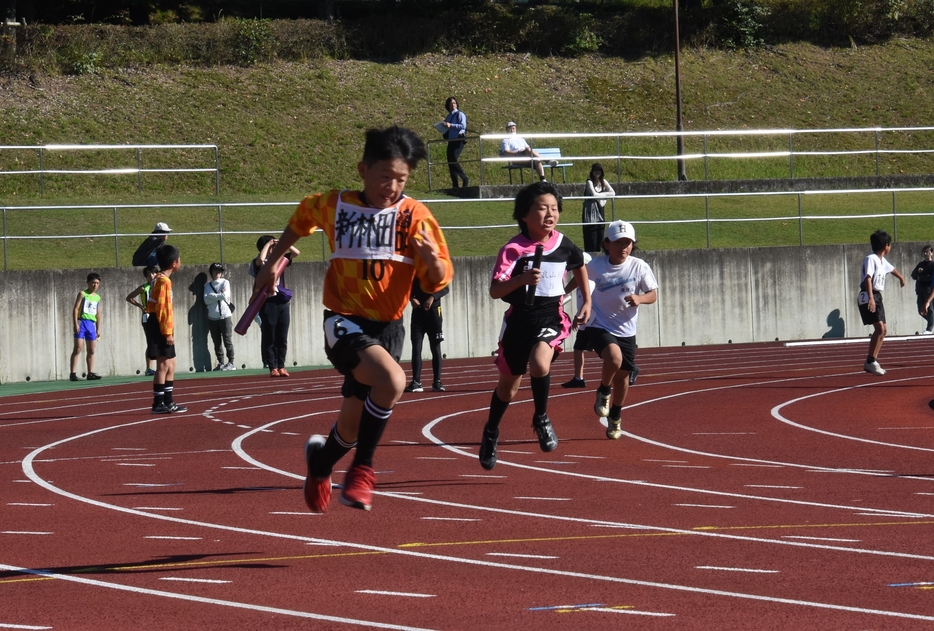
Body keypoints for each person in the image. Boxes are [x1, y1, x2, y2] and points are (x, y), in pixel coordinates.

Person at [251, 125, 452, 513]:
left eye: (401, 179)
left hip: (388, 329)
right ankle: (362, 470)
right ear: (362, 170)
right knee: (394, 380)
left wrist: (431, 263)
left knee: (351, 425)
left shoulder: (415, 216)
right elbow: (300, 218)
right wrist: (273, 263)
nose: (391, 187)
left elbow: (440, 277)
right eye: (384, 177)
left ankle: (321, 463)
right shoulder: (335, 205)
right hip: (343, 322)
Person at [478, 181, 590, 470]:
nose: (550, 214)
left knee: (540, 363)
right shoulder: (514, 249)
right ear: (525, 215)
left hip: (550, 318)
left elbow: (579, 264)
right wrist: (521, 280)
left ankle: (541, 417)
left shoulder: (563, 243)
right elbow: (495, 290)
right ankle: (491, 431)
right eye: (542, 208)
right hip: (519, 322)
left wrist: (586, 301)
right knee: (508, 388)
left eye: (554, 209)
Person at [581, 221, 657, 440]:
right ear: (607, 244)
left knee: (623, 378)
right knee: (614, 358)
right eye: (618, 243)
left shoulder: (639, 266)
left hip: (626, 330)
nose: (623, 247)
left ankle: (615, 417)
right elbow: (579, 278)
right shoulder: (597, 265)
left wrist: (640, 298)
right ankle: (604, 390)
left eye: (627, 243)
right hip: (600, 324)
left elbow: (652, 294)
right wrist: (559, 295)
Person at [145, 244, 188, 413]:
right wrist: (167, 333)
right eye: (179, 259)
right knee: (163, 365)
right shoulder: (163, 282)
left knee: (171, 364)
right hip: (161, 327)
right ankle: (158, 403)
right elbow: (163, 309)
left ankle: (169, 401)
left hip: (162, 325)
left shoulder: (159, 280)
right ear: (174, 263)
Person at [250, 235, 299, 377]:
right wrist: (268, 244)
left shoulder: (281, 260)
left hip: (282, 301)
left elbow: (296, 253)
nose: (274, 248)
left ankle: (281, 365)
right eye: (272, 246)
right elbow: (260, 260)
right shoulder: (259, 262)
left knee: (282, 335)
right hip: (267, 301)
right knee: (269, 334)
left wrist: (284, 243)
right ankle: (272, 366)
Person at [858, 229, 905, 376]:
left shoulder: (881, 260)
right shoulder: (870, 259)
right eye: (890, 245)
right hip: (868, 294)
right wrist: (871, 298)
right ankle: (870, 361)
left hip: (877, 295)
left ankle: (873, 360)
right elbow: (868, 278)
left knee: (884, 330)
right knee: (879, 328)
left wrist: (901, 277)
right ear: (886, 245)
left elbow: (891, 269)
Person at [404, 276, 449, 393]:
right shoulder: (414, 270)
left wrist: (432, 298)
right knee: (416, 347)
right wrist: (411, 298)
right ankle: (416, 381)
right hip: (418, 313)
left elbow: (445, 288)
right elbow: (406, 287)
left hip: (434, 313)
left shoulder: (434, 268)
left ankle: (437, 382)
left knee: (435, 347)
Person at [561, 252, 594, 389]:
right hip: (587, 323)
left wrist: (579, 317)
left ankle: (629, 367)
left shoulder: (590, 283)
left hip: (594, 323)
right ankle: (578, 378)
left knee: (607, 351)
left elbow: (591, 303)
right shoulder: (582, 281)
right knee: (578, 348)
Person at [125, 265, 158, 376]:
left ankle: (159, 366)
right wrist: (140, 306)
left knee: (159, 341)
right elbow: (129, 297)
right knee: (150, 341)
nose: (151, 276)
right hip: (147, 316)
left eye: (153, 273)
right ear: (145, 277)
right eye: (148, 275)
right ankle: (149, 368)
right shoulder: (144, 287)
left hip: (158, 316)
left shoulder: (159, 286)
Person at [69, 272, 103, 382]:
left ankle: (90, 373)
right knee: (78, 348)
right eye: (93, 283)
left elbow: (98, 314)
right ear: (88, 282)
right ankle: (73, 373)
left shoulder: (97, 297)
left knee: (91, 350)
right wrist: (75, 324)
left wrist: (98, 328)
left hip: (91, 325)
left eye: (97, 283)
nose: (95, 285)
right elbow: (75, 309)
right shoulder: (82, 294)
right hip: (82, 323)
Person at [204, 262, 236, 371]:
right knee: (216, 341)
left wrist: (213, 296)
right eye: (216, 270)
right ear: (211, 272)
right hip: (212, 317)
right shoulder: (207, 285)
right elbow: (206, 299)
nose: (218, 273)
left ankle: (231, 362)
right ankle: (221, 362)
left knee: (227, 339)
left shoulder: (225, 282)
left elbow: (225, 296)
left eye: (220, 271)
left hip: (225, 316)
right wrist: (218, 296)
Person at [581, 163, 616, 253]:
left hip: (600, 210)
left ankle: (599, 252)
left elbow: (613, 193)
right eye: (595, 170)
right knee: (591, 233)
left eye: (599, 170)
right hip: (590, 212)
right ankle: (591, 253)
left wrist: (600, 195)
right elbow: (594, 195)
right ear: (592, 172)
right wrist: (604, 195)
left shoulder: (603, 182)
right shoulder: (589, 182)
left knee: (600, 232)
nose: (597, 172)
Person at [440, 96, 469, 189]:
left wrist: (451, 125)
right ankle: (455, 184)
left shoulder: (460, 114)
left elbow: (463, 126)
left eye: (454, 103)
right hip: (451, 140)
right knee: (450, 161)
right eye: (451, 103)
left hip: (458, 139)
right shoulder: (448, 116)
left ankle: (465, 178)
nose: (453, 105)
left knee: (453, 159)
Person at [911, 245, 934, 334]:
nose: (925, 254)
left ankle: (929, 328)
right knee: (921, 310)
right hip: (920, 290)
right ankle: (931, 322)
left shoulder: (932, 265)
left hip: (929, 290)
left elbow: (931, 278)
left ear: (931, 253)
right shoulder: (920, 264)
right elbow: (913, 275)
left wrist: (922, 275)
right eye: (924, 252)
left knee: (930, 309)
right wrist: (918, 272)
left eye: (927, 252)